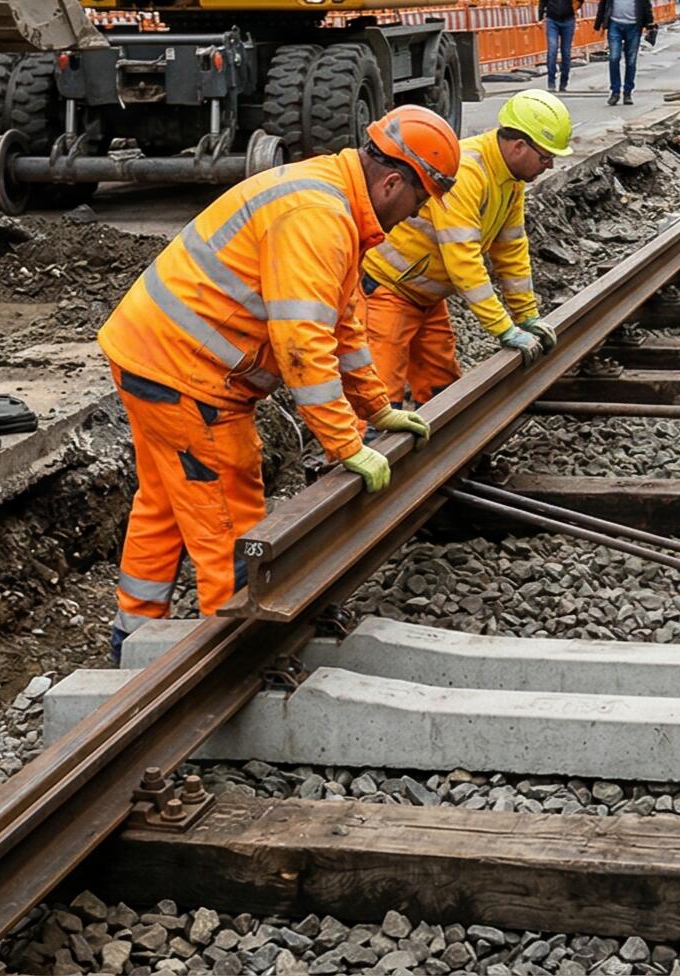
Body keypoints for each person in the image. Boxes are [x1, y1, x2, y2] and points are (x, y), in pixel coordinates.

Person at [96, 105, 460, 661]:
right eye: (417, 203)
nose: (413, 218)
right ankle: (232, 658)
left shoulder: (332, 198)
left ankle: (133, 639)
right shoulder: (317, 215)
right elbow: (303, 347)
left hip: (152, 355)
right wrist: (345, 444)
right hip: (188, 376)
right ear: (392, 182)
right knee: (230, 519)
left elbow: (343, 325)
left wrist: (376, 407)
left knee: (168, 503)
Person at [363, 90, 572, 409]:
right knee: (379, 398)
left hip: (426, 295)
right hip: (388, 290)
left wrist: (526, 315)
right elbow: (464, 261)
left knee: (441, 385)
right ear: (518, 146)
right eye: (545, 157)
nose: (549, 164)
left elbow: (511, 248)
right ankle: (369, 453)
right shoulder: (468, 172)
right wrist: (503, 328)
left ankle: (437, 451)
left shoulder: (510, 179)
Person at [595, 0, 653, 105]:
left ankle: (628, 92)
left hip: (634, 26)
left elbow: (646, 5)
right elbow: (603, 4)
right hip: (614, 24)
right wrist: (598, 24)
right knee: (614, 58)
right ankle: (615, 92)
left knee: (631, 60)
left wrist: (650, 24)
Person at [539, 0, 580, 91]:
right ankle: (551, 82)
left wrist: (576, 7)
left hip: (568, 19)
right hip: (552, 20)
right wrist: (540, 16)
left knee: (566, 52)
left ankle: (564, 82)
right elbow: (542, 1)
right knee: (552, 50)